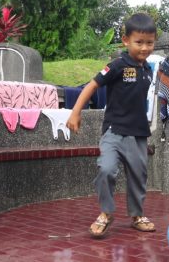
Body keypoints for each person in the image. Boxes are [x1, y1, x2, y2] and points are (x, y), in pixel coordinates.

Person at [66, 13, 157, 238]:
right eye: (139, 42)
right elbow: (92, 85)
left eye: (149, 43)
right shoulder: (117, 65)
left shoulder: (148, 69)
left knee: (138, 175)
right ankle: (106, 213)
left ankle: (136, 215)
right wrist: (76, 112)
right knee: (106, 169)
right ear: (126, 40)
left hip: (138, 134)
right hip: (114, 131)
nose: (144, 48)